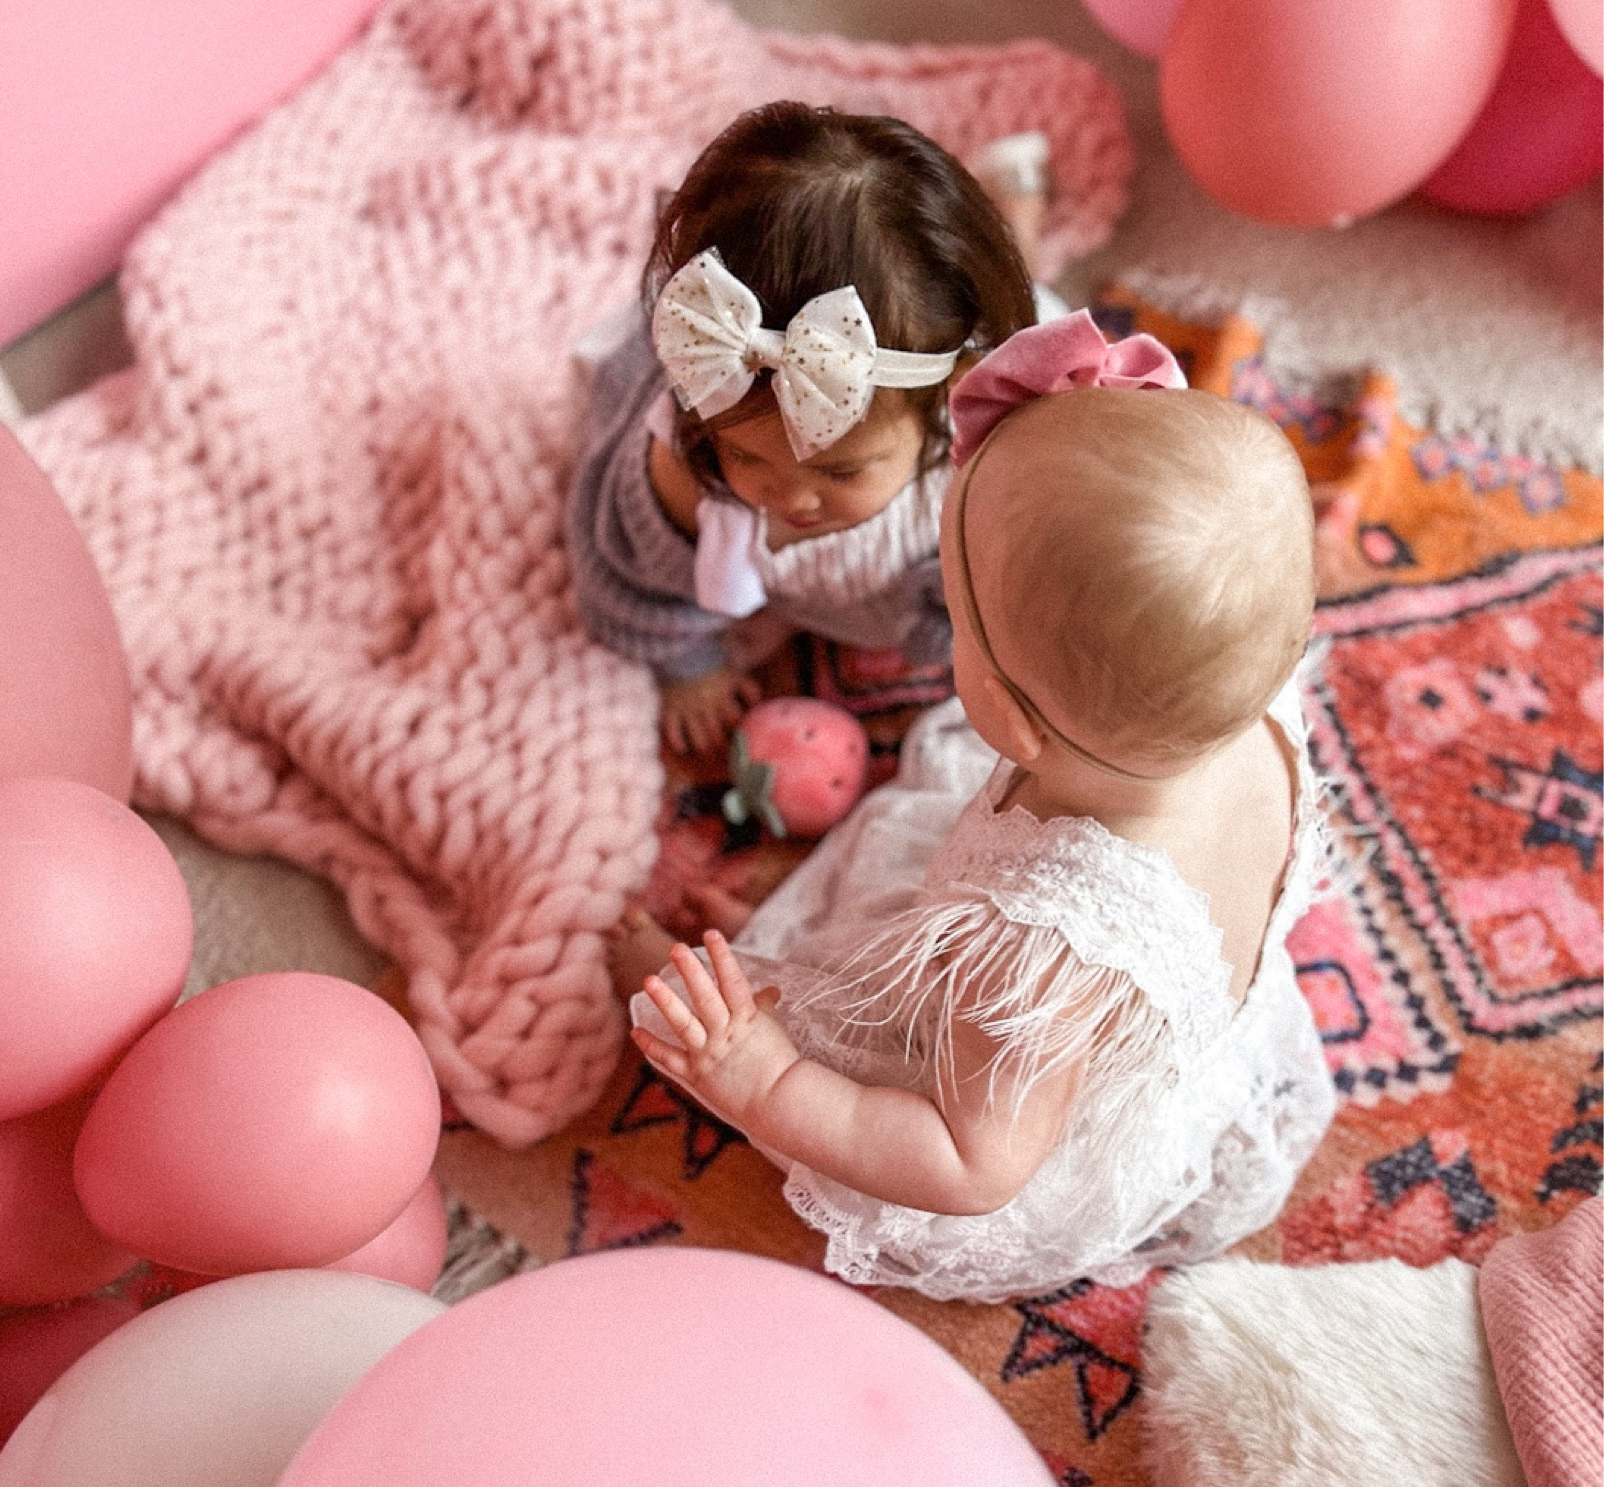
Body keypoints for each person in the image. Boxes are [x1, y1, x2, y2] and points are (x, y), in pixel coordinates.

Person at [620, 311, 1338, 1303]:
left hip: (1006, 1113)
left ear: (1009, 713)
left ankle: (700, 1018)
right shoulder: (1246, 700)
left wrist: (763, 1079)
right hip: (1127, 990)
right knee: (885, 908)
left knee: (708, 1025)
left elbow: (970, 1165)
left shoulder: (1031, 948)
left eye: (957, 621)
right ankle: (792, 950)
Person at [568, 101, 1042, 755]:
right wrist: (688, 666)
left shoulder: (984, 456)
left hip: (951, 377)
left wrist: (962, 629)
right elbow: (625, 577)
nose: (790, 497)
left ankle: (1014, 213)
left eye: (839, 470)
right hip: (739, 355)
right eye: (746, 455)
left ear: (955, 395)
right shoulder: (686, 466)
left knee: (1020, 297)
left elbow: (1004, 580)